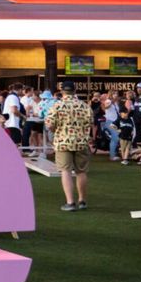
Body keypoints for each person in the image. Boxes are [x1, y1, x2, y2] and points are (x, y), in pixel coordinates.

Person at [46, 81, 93, 211]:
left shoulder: (57, 106)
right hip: (81, 142)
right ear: (75, 90)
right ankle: (82, 201)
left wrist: (57, 129)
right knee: (81, 171)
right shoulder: (84, 106)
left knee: (65, 171)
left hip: (63, 142)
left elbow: (49, 125)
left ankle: (70, 202)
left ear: (62, 91)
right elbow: (90, 122)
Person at [2, 83, 25, 147]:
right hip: (12, 124)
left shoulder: (12, 96)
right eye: (23, 90)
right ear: (20, 90)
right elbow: (14, 110)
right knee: (15, 144)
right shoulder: (13, 97)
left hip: (11, 124)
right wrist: (23, 116)